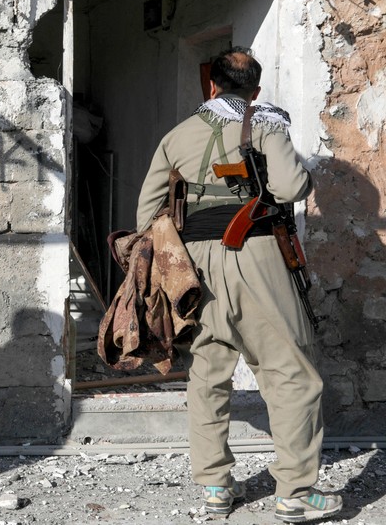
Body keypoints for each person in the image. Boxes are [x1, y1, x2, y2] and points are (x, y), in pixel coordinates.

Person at [136, 47, 341, 524]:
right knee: (291, 373)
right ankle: (295, 493)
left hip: (195, 267)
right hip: (257, 254)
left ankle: (215, 488)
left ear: (211, 86)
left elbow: (146, 214)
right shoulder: (266, 123)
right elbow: (291, 188)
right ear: (256, 90)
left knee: (208, 373)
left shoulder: (176, 135)